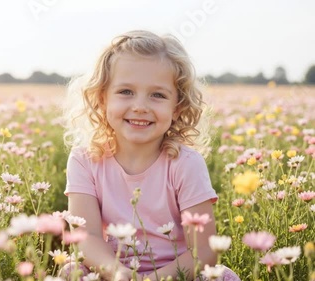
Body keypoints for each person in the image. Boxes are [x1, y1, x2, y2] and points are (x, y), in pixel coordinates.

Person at [61, 30, 241, 280]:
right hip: (112, 271)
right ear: (102, 99)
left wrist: (153, 279)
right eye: (125, 91)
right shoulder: (84, 159)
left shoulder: (185, 164)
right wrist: (118, 274)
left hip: (178, 274)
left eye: (157, 95)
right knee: (71, 272)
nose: (140, 106)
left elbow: (203, 251)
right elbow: (86, 237)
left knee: (221, 276)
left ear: (177, 108)